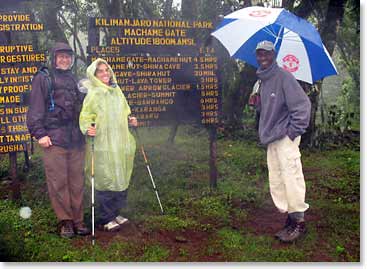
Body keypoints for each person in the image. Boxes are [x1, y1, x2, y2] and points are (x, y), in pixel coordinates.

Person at [27, 42, 89, 238]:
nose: (65, 60)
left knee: (77, 181)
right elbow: (35, 109)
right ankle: (66, 222)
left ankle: (78, 221)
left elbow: (85, 108)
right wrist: (40, 134)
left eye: (68, 57)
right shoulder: (43, 79)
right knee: (59, 182)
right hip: (54, 139)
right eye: (61, 56)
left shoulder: (75, 80)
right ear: (53, 58)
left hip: (76, 139)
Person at [254, 40, 311, 243]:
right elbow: (269, 109)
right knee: (278, 179)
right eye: (259, 54)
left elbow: (303, 106)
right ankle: (290, 219)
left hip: (285, 137)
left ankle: (299, 224)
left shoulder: (284, 77)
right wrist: (257, 103)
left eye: (267, 54)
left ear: (274, 55)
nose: (263, 58)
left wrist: (293, 132)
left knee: (292, 178)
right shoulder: (262, 79)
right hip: (271, 137)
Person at [79, 58, 137, 232]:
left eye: (106, 70)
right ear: (94, 75)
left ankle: (116, 213)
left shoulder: (116, 90)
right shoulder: (94, 93)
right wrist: (87, 128)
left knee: (120, 177)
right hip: (103, 143)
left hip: (120, 141)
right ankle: (106, 217)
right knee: (105, 179)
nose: (105, 74)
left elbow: (124, 111)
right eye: (100, 71)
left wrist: (130, 119)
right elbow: (85, 116)